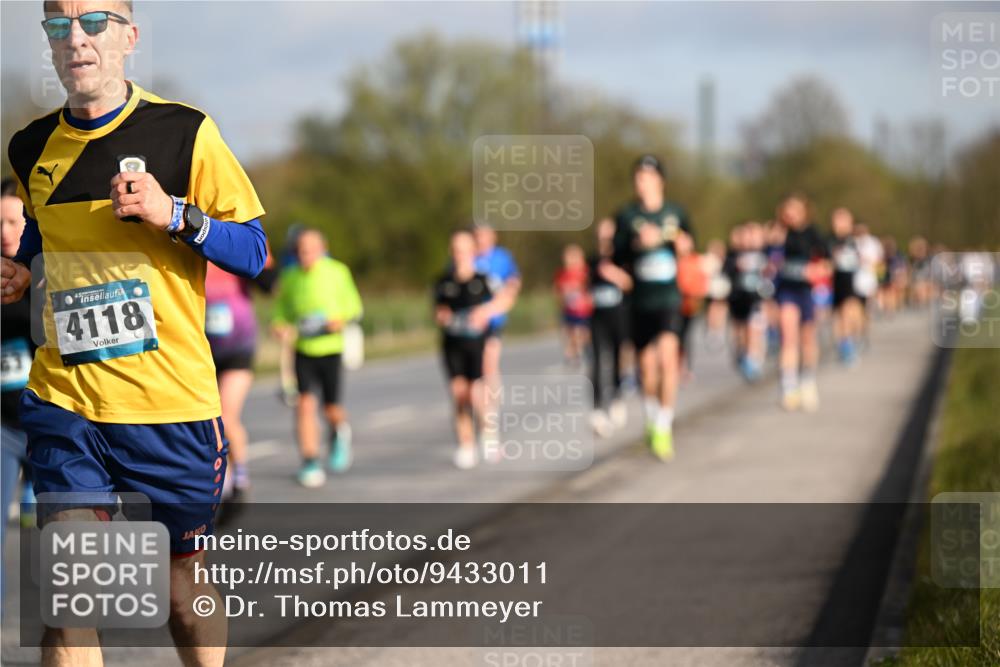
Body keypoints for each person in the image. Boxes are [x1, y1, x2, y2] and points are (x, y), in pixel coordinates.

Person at [1, 3, 268, 664]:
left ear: (129, 36)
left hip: (169, 405)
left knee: (181, 585)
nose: (76, 38)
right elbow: (40, 237)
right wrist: (21, 271)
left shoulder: (185, 133)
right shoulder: (30, 146)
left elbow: (254, 251)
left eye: (94, 21)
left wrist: (173, 213)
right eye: (59, 25)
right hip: (67, 399)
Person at [612, 155, 693, 460]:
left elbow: (690, 245)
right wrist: (637, 244)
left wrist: (682, 245)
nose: (640, 182)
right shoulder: (627, 215)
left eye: (646, 176)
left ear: (660, 180)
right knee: (647, 368)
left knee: (668, 360)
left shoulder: (675, 213)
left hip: (668, 299)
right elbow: (617, 256)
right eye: (637, 177)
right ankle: (650, 415)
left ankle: (663, 426)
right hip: (640, 300)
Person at [272, 229, 362, 488]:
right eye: (301, 250)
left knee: (330, 408)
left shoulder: (338, 272)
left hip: (330, 348)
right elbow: (281, 311)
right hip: (303, 350)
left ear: (323, 249)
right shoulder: (290, 276)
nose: (305, 255)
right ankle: (310, 461)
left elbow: (354, 306)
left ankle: (339, 430)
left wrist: (339, 320)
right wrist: (279, 325)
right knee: (304, 405)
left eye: (310, 250)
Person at [205, 251, 277, 525]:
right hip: (200, 349)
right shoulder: (181, 238)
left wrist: (262, 259)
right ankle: (225, 479)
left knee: (225, 417)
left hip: (238, 346)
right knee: (206, 421)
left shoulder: (230, 241)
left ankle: (239, 480)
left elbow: (269, 284)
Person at [1, 178, 37, 610]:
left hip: (54, 421)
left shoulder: (50, 270)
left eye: (13, 221)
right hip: (4, 425)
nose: (5, 232)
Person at [433, 230, 497, 468]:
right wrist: (443, 316)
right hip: (452, 344)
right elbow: (438, 310)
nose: (459, 255)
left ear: (472, 251)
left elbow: (499, 302)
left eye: (464, 250)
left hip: (476, 344)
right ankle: (466, 444)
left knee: (477, 394)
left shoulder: (482, 280)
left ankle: (487, 432)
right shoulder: (443, 282)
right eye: (456, 250)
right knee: (458, 393)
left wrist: (484, 313)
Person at [773, 194, 830, 412]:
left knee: (807, 339)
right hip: (786, 290)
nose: (791, 214)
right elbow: (768, 259)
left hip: (807, 291)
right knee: (788, 337)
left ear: (804, 211)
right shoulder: (778, 233)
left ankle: (807, 381)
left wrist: (816, 271)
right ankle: (789, 386)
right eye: (788, 210)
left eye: (795, 210)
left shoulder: (813, 233)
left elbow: (827, 263)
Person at [473, 223, 520, 456]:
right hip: (471, 325)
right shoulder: (466, 257)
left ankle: (490, 418)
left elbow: (513, 285)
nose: (481, 240)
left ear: (493, 237)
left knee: (488, 366)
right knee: (474, 376)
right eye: (477, 236)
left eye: (485, 235)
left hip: (492, 322)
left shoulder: (502, 258)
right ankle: (483, 419)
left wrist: (494, 308)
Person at [587, 218, 631, 437]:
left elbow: (630, 284)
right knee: (595, 360)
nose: (604, 238)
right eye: (601, 233)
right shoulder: (592, 260)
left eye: (608, 234)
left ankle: (616, 397)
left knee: (617, 357)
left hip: (619, 314)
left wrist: (614, 274)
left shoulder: (622, 258)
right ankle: (596, 407)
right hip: (597, 317)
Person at [724, 222, 769, 381]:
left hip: (755, 298)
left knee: (753, 328)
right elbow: (725, 272)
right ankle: (742, 353)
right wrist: (735, 266)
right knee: (740, 329)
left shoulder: (763, 253)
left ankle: (753, 357)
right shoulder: (733, 254)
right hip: (738, 297)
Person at [828, 208, 864, 366]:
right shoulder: (829, 240)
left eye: (843, 220)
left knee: (850, 311)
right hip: (835, 282)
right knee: (839, 315)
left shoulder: (855, 240)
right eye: (837, 220)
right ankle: (844, 345)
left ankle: (851, 341)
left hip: (852, 282)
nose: (840, 224)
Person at [553, 243, 593, 368]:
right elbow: (557, 289)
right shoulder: (562, 273)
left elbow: (590, 288)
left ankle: (583, 350)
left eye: (573, 257)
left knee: (583, 333)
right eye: (567, 257)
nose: (570, 260)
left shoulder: (585, 271)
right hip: (569, 309)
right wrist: (561, 301)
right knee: (570, 333)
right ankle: (573, 354)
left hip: (584, 310)